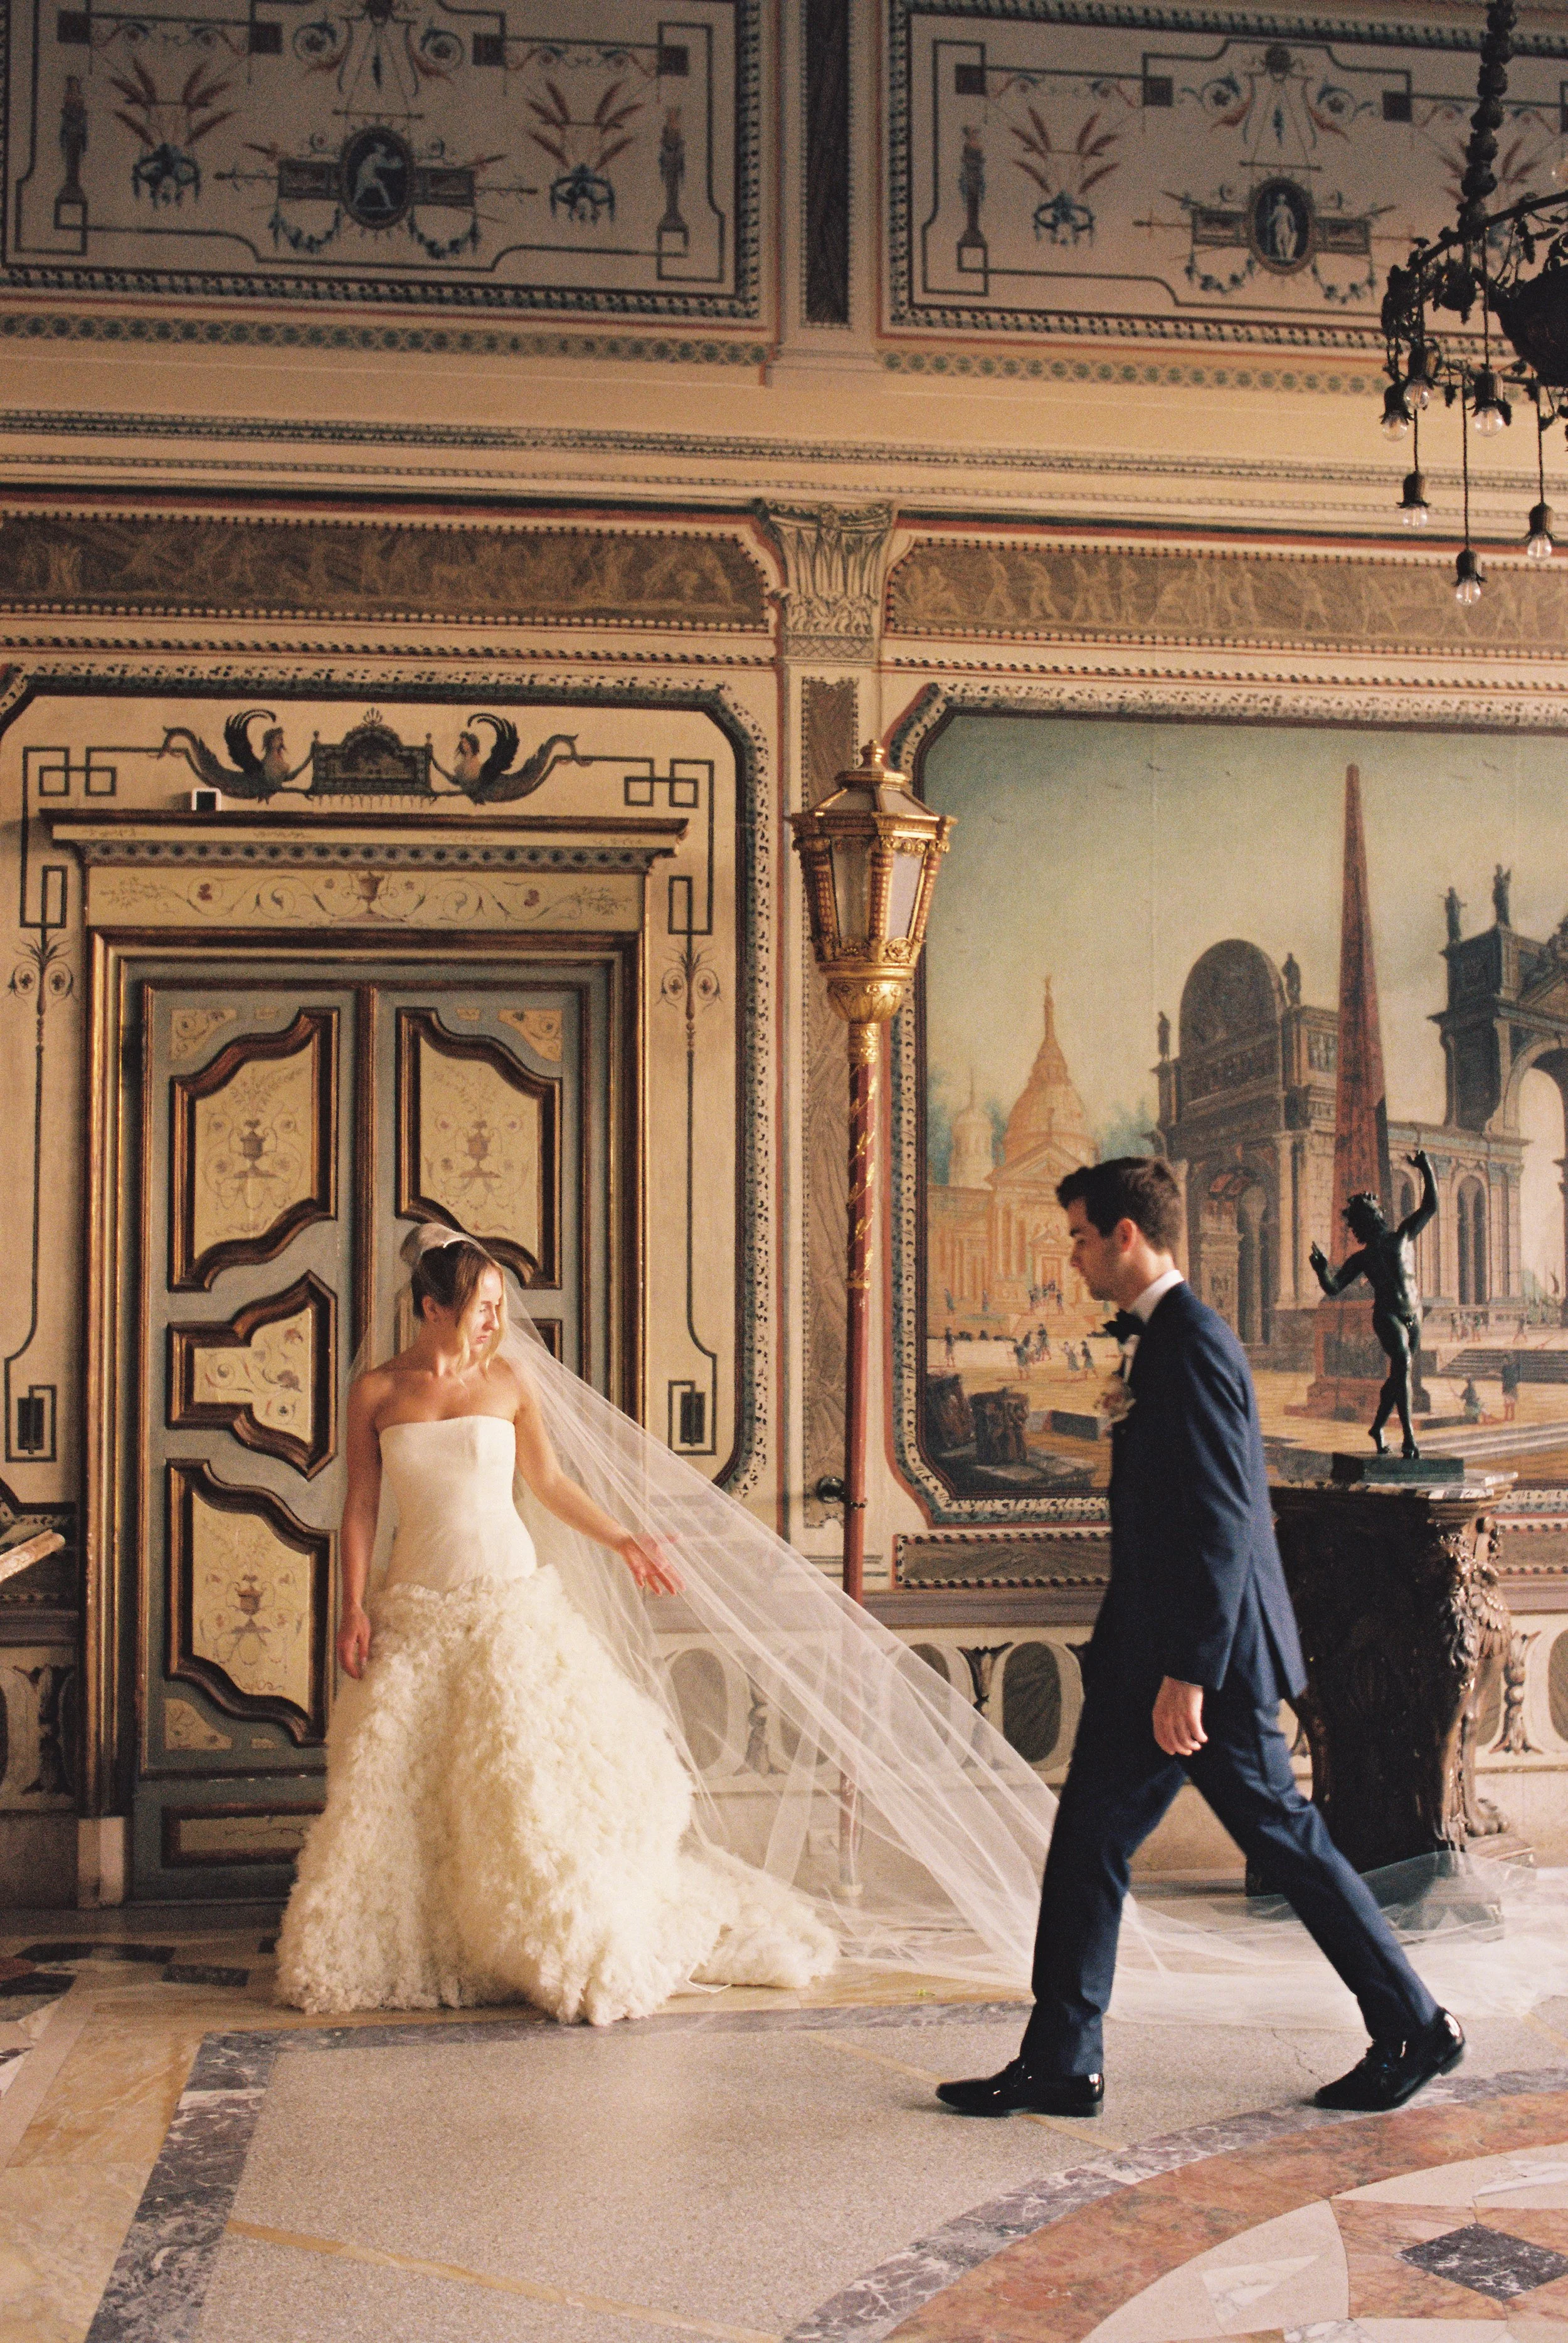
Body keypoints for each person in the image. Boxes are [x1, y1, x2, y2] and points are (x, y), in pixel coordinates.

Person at [938, 1158, 1463, 2123]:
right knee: (1093, 1840)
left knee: (1286, 1842)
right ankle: (1062, 2059)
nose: (1076, 1255)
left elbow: (1225, 1517)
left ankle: (1414, 2025)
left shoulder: (1193, 1342)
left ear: (1128, 1235)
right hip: (1158, 1654)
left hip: (1197, 1666)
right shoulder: (1168, 1340)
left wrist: (1189, 1671)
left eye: (1083, 1238)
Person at [276, 1226, 837, 2021]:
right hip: (416, 1607)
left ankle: (535, 1928)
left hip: (507, 1597)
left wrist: (624, 1538)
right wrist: (353, 1605)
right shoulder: (376, 1392)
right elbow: (361, 1505)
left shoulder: (507, 1383)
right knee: (406, 1790)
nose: (491, 1323)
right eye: (478, 1307)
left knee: (519, 1778)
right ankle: (447, 1937)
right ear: (431, 1305)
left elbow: (547, 1481)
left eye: (499, 1307)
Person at [1309, 1152, 1438, 1457]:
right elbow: (1334, 1287)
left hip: (1413, 1313)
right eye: (1355, 1224)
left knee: (1397, 1377)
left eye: (1359, 1221)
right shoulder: (1362, 1258)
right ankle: (1408, 1438)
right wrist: (1321, 1269)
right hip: (1388, 1315)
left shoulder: (1403, 1235)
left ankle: (1378, 1426)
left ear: (1374, 1216)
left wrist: (1426, 1168)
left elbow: (1431, 1206)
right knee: (1403, 1364)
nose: (1356, 1228)